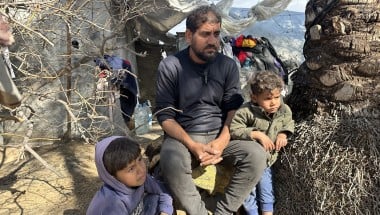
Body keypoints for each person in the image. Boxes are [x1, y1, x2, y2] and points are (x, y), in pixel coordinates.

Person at [155, 5, 267, 215]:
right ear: (189, 35)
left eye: (216, 34)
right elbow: (165, 116)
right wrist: (193, 145)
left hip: (220, 136)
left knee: (257, 155)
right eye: (205, 34)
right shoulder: (171, 66)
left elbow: (233, 108)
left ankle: (223, 211)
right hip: (184, 138)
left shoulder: (227, 66)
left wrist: (223, 140)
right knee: (170, 158)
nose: (213, 41)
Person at [230, 71, 295, 215]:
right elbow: (234, 129)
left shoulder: (283, 110)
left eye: (277, 97)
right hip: (248, 163)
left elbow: (289, 122)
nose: (274, 103)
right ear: (254, 98)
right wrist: (256, 134)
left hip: (267, 162)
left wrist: (283, 134)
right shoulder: (246, 111)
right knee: (248, 192)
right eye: (268, 99)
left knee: (266, 190)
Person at [86, 136, 174, 215]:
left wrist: (165, 212)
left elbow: (162, 191)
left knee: (156, 198)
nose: (141, 170)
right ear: (112, 176)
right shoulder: (111, 205)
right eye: (131, 169)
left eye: (139, 159)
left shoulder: (141, 178)